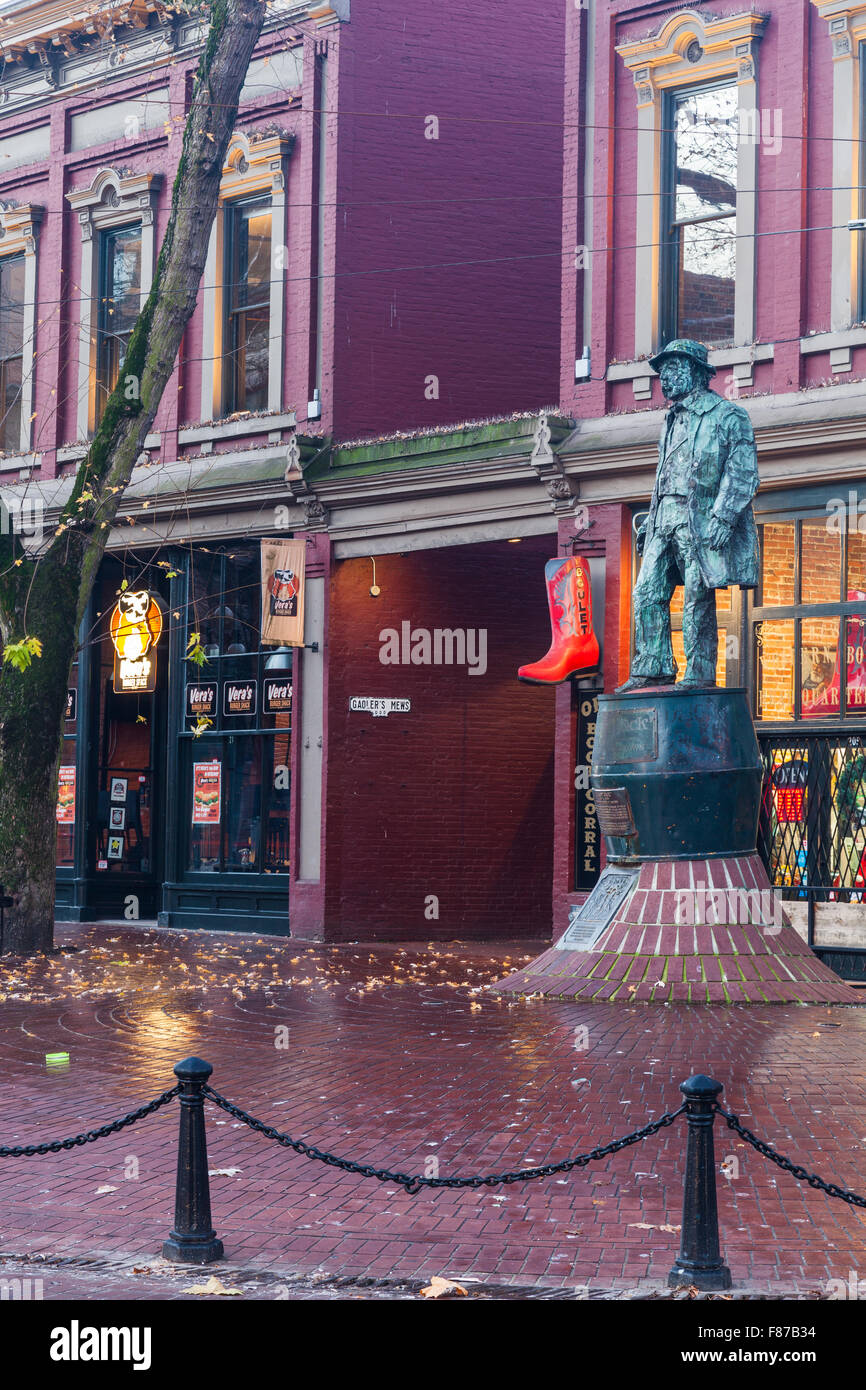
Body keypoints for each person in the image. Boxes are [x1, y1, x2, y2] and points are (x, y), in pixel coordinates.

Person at [617, 338, 759, 692]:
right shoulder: (670, 420)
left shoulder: (727, 415)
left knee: (698, 595)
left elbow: (743, 472)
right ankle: (653, 666)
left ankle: (699, 672)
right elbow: (667, 472)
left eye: (672, 370)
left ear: (696, 372)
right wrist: (651, 519)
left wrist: (724, 517)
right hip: (663, 516)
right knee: (646, 592)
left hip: (699, 519)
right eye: (662, 373)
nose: (664, 380)